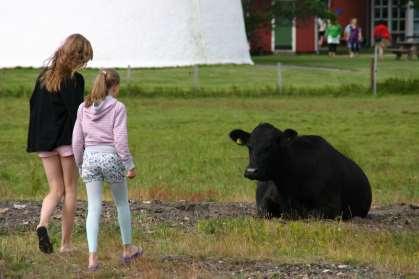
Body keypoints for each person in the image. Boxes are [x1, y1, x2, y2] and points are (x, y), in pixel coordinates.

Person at [27, 34, 93, 254]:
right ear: (78, 57)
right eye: (84, 59)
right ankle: (66, 245)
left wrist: (37, 138)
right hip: (66, 140)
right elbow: (77, 115)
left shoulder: (43, 77)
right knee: (70, 189)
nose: (84, 64)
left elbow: (34, 107)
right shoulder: (75, 80)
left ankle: (42, 224)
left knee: (54, 189)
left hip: (44, 141)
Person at [72, 69, 142, 271]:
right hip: (111, 157)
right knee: (121, 203)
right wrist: (129, 165)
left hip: (90, 158)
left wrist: (80, 164)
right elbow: (120, 140)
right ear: (115, 86)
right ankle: (128, 249)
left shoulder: (83, 107)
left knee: (93, 207)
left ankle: (92, 258)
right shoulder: (118, 107)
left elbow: (77, 140)